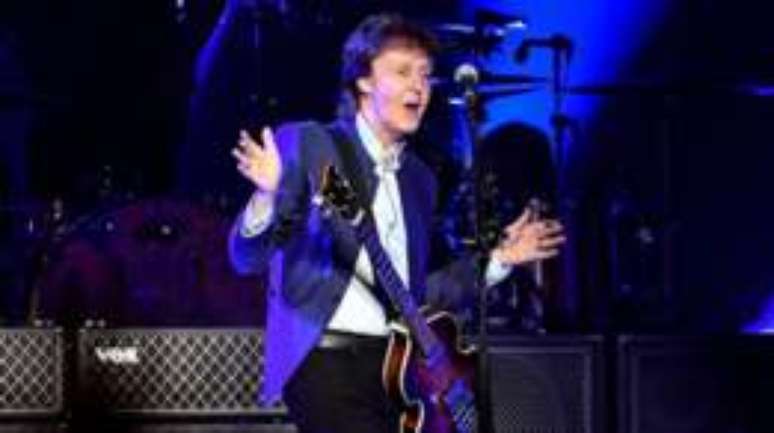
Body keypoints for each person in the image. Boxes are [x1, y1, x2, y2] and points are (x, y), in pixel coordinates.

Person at [228, 13, 564, 433]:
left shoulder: (420, 179)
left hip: (399, 368)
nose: (418, 87)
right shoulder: (312, 143)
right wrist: (267, 198)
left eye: (425, 74)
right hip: (325, 360)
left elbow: (418, 295)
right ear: (363, 80)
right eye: (403, 72)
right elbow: (246, 258)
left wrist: (500, 259)